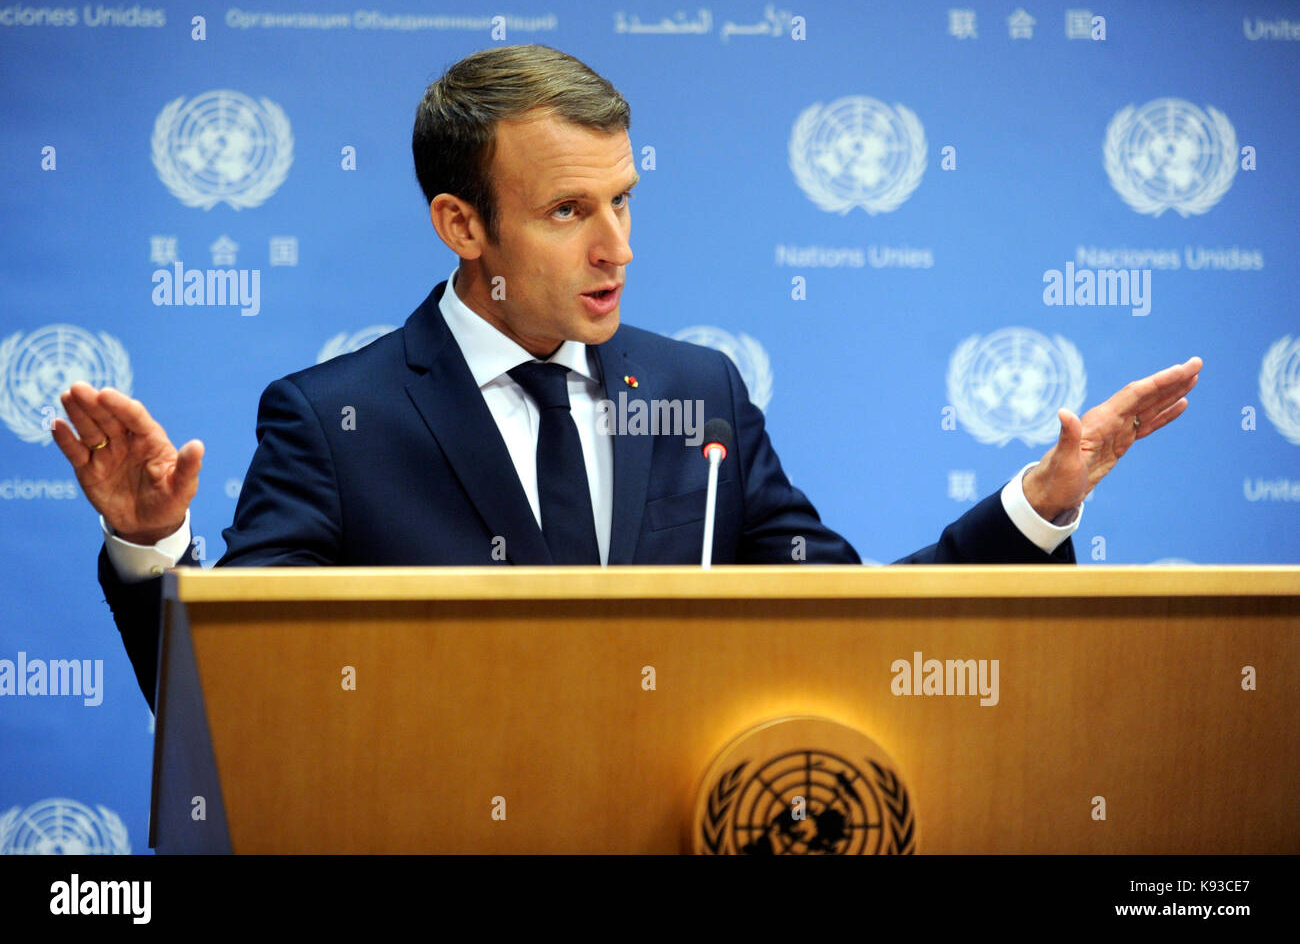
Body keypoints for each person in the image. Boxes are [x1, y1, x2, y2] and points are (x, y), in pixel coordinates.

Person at [51, 45, 1201, 709]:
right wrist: (154, 552)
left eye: (623, 200)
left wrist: (1037, 506)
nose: (618, 247)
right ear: (463, 224)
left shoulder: (696, 389)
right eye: (568, 212)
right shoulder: (336, 419)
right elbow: (243, 707)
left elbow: (851, 628)